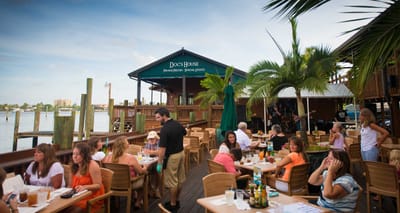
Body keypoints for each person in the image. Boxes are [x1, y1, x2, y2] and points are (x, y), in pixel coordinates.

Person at [154, 107, 186, 212]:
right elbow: (184, 133)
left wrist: (159, 163)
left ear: (164, 116)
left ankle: (172, 205)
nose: (157, 120)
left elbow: (162, 149)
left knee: (172, 182)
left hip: (172, 157)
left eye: (158, 117)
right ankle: (176, 200)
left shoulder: (164, 129)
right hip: (181, 153)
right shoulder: (177, 124)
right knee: (180, 179)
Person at [103, 136, 148, 208]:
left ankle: (133, 196)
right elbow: (141, 172)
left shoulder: (107, 157)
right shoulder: (131, 158)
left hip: (112, 184)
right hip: (129, 184)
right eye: (128, 143)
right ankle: (138, 201)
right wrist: (145, 167)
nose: (129, 144)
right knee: (145, 177)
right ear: (124, 146)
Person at [69, 143, 105, 213]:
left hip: (92, 198)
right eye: (73, 154)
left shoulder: (92, 165)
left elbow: (98, 185)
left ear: (85, 155)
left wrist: (85, 187)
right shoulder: (73, 166)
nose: (74, 157)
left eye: (78, 154)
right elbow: (69, 186)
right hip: (77, 196)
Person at [143, 130, 161, 198]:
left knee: (157, 170)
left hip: (159, 162)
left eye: (152, 138)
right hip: (149, 161)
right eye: (150, 138)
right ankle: (149, 188)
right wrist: (154, 152)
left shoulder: (160, 143)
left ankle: (156, 189)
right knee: (144, 170)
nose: (151, 139)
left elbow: (159, 153)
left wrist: (150, 152)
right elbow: (144, 151)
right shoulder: (148, 143)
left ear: (156, 138)